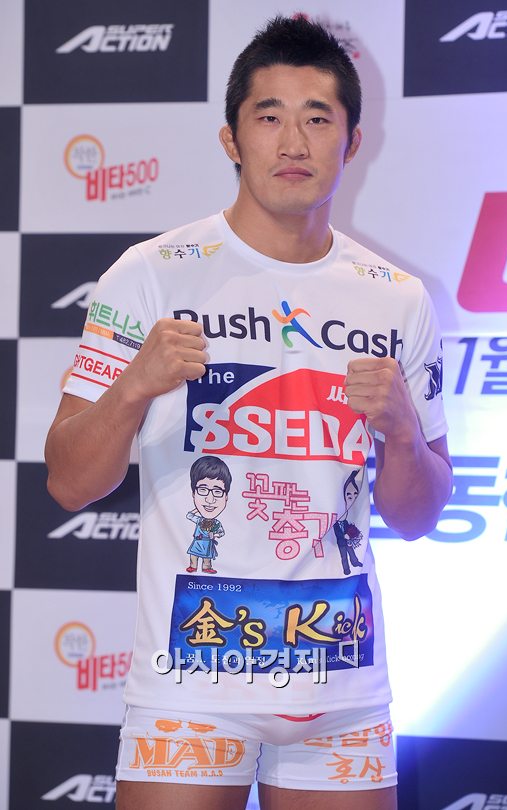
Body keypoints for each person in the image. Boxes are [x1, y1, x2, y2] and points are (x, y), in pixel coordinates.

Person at [45, 15, 452, 810]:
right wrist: (133, 387)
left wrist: (404, 434)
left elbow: (420, 516)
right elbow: (68, 482)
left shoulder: (399, 299)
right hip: (191, 684)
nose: (293, 141)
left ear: (352, 141)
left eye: (317, 119)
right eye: (269, 116)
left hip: (342, 687)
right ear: (232, 138)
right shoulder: (151, 275)